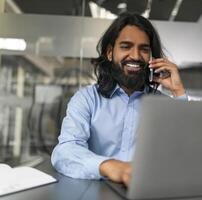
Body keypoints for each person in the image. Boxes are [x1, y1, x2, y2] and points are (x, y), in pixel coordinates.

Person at [51, 12, 186, 186]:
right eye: (125, 46)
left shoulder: (164, 105)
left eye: (144, 49)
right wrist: (113, 167)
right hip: (95, 191)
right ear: (109, 53)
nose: (136, 56)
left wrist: (178, 91)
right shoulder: (86, 99)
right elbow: (65, 152)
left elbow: (187, 154)